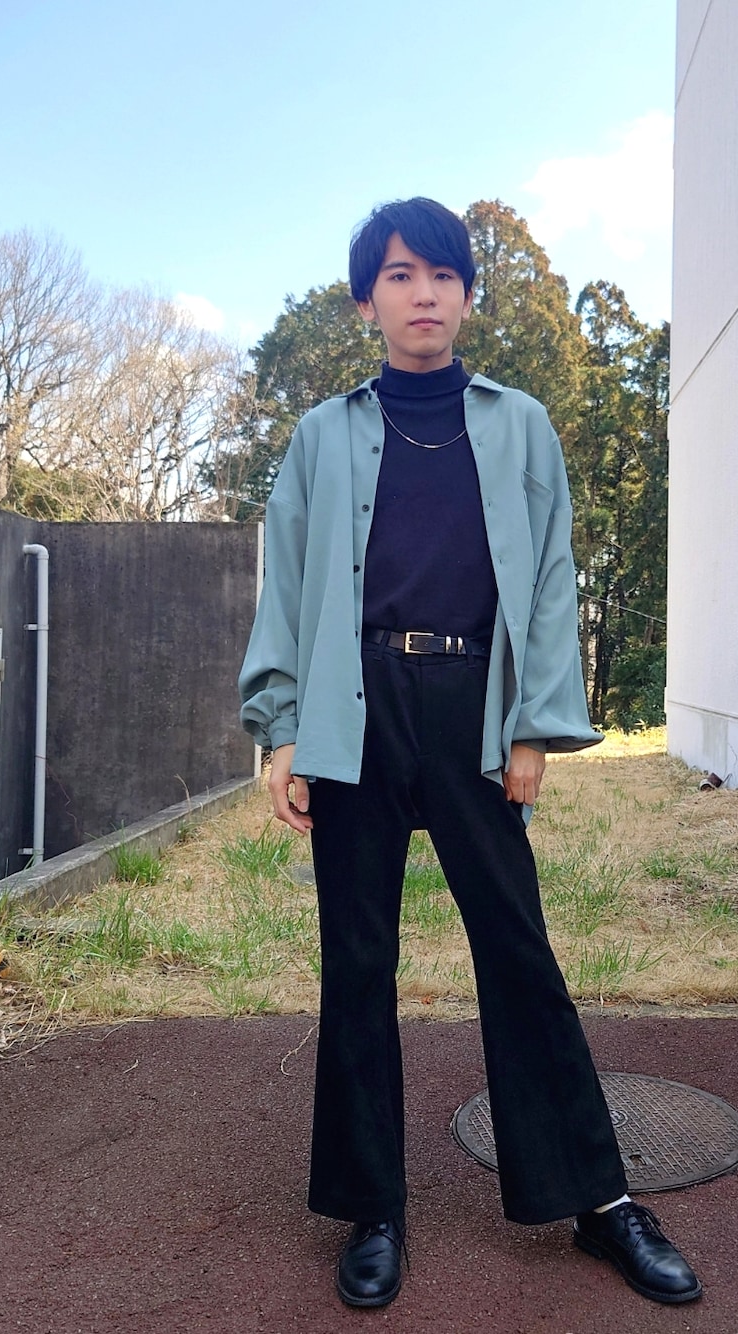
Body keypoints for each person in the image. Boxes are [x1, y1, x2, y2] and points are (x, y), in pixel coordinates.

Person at [238, 197, 702, 1310]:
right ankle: (372, 1207)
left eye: (443, 275)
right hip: (353, 707)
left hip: (472, 705)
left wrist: (531, 723)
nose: (424, 294)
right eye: (400, 276)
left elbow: (550, 578)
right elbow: (285, 580)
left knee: (518, 948)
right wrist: (282, 726)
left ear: (467, 295)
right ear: (367, 301)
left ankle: (599, 1200)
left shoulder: (519, 424)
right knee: (358, 962)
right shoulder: (320, 435)